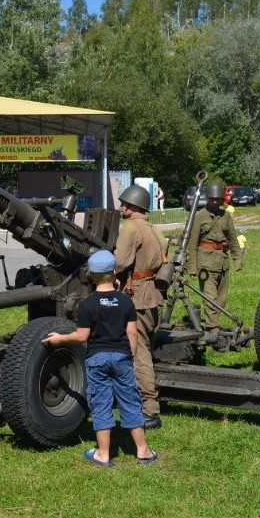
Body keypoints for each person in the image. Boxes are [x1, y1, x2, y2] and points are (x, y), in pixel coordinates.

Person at [42, 250, 158, 467]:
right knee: (130, 401)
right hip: (122, 357)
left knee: (101, 403)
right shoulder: (125, 302)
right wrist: (130, 356)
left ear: (90, 276)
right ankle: (143, 451)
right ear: (114, 273)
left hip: (97, 359)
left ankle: (103, 454)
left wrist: (60, 339)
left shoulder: (87, 304)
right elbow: (132, 333)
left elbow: (82, 336)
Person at [114, 184, 168, 430]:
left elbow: (120, 261)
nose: (121, 206)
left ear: (133, 205)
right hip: (153, 294)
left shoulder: (131, 228)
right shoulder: (154, 229)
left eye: (124, 202)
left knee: (138, 353)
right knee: (144, 347)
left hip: (136, 295)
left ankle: (149, 410)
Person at [186, 182, 242, 332]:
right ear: (208, 199)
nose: (215, 202)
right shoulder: (200, 216)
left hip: (223, 262)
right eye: (212, 199)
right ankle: (214, 329)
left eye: (218, 199)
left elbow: (233, 239)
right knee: (210, 299)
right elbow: (192, 243)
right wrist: (191, 266)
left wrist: (237, 259)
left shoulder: (225, 216)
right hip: (205, 263)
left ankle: (213, 322)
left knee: (221, 299)